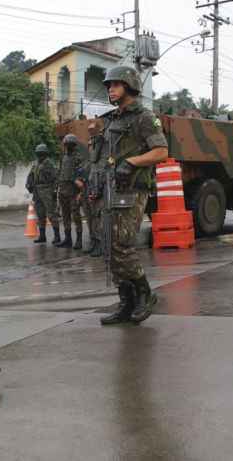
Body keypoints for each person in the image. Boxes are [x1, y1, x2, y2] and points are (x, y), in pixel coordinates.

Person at [99, 66, 168, 326]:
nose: (110, 90)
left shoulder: (143, 117)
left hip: (132, 189)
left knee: (122, 245)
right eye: (108, 86)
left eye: (115, 85)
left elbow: (161, 151)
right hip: (110, 189)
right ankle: (126, 303)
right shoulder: (113, 119)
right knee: (110, 247)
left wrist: (133, 162)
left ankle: (145, 294)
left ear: (128, 86)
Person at [26, 143, 60, 244]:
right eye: (38, 154)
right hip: (37, 190)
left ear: (45, 154)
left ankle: (57, 236)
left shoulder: (49, 164)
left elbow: (56, 178)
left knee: (51, 214)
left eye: (42, 154)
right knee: (40, 214)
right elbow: (31, 175)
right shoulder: (35, 164)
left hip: (47, 190)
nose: (40, 156)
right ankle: (42, 236)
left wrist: (54, 190)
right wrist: (28, 184)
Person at [55, 133, 83, 249]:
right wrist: (57, 188)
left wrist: (80, 190)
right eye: (66, 145)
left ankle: (79, 240)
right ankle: (68, 239)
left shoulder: (78, 158)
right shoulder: (63, 157)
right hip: (63, 190)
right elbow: (60, 172)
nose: (67, 147)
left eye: (69, 145)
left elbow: (82, 174)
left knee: (76, 216)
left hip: (73, 191)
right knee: (65, 216)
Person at [82, 120, 105, 257]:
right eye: (89, 130)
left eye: (92, 130)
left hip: (99, 186)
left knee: (99, 218)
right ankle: (95, 242)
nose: (90, 132)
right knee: (92, 218)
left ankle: (101, 245)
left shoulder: (101, 142)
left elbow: (101, 167)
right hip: (92, 185)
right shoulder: (94, 145)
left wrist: (97, 190)